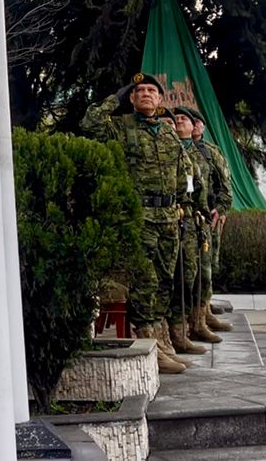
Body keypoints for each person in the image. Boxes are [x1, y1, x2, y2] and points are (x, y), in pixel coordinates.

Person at [81, 73, 195, 374]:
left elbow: (184, 171)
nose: (145, 94)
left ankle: (163, 343)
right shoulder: (120, 127)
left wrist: (186, 204)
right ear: (132, 98)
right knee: (146, 282)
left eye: (151, 91)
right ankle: (148, 345)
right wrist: (115, 98)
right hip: (139, 217)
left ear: (160, 99)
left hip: (168, 217)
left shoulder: (168, 132)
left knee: (166, 281)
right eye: (139, 91)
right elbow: (90, 124)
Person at [171, 107, 216, 349]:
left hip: (192, 220)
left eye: (184, 119)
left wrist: (210, 213)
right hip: (166, 218)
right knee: (173, 279)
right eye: (175, 119)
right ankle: (175, 332)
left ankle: (195, 324)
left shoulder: (205, 153)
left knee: (196, 275)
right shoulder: (168, 147)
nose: (179, 122)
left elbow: (206, 187)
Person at [188, 108, 234, 332]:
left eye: (199, 122)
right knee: (192, 268)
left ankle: (204, 311)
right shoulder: (177, 148)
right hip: (187, 214)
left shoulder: (211, 152)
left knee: (207, 265)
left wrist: (220, 209)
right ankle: (195, 316)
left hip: (208, 217)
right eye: (192, 121)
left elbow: (225, 185)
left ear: (203, 127)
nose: (195, 125)